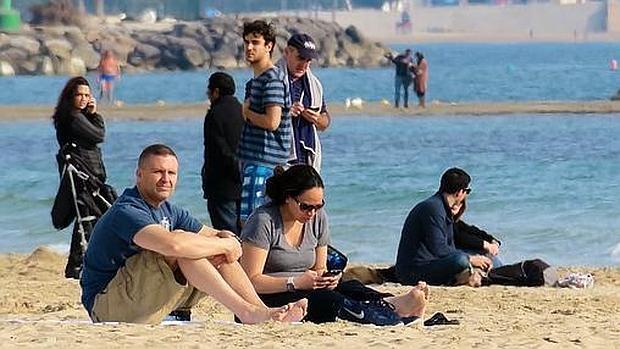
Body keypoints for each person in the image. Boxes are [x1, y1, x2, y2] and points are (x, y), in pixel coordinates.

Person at [80, 144, 307, 324]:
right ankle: (247, 313)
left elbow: (215, 235)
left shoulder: (168, 210)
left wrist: (225, 242)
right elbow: (174, 247)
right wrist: (222, 246)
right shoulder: (128, 210)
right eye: (158, 172)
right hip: (107, 305)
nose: (165, 179)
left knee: (206, 244)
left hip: (140, 298)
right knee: (183, 245)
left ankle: (260, 311)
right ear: (139, 175)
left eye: (171, 173)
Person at [240, 165, 428, 325]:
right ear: (288, 197)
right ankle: (393, 311)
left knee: (350, 286)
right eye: (306, 206)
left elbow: (320, 267)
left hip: (307, 287)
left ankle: (392, 303)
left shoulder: (318, 219)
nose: (312, 213)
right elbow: (250, 280)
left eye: (318, 206)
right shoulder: (264, 221)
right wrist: (294, 283)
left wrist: (327, 278)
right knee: (327, 300)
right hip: (270, 296)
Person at [52, 76, 115, 279]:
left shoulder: (77, 116)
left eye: (87, 95)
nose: (84, 99)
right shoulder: (72, 117)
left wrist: (90, 114)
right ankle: (79, 266)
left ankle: (76, 266)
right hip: (82, 175)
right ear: (70, 96)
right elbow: (99, 135)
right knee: (91, 217)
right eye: (79, 94)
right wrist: (95, 115)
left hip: (89, 174)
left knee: (87, 216)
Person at [395, 167, 492, 286]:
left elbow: (458, 237)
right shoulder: (433, 208)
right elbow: (439, 249)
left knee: (483, 256)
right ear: (460, 192)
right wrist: (471, 259)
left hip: (433, 263)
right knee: (461, 260)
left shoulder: (442, 208)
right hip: (414, 271)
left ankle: (478, 273)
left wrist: (481, 249)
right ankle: (470, 275)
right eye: (467, 191)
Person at [237, 20, 292, 224]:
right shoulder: (255, 82)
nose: (249, 47)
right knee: (252, 221)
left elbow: (272, 122)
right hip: (253, 159)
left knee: (251, 222)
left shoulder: (272, 80)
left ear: (268, 46)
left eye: (255, 42)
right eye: (246, 42)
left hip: (264, 161)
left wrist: (247, 112)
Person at [277, 33, 331, 171]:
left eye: (308, 60)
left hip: (307, 158)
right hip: (280, 158)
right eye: (300, 58)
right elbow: (255, 119)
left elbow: (325, 121)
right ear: (287, 52)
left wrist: (317, 119)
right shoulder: (271, 80)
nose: (304, 65)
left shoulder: (314, 85)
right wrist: (285, 113)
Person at [202, 72, 244, 235]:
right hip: (243, 181)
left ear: (216, 91)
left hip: (221, 185)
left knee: (227, 235)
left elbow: (218, 149)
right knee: (244, 232)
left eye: (209, 92)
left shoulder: (214, 114)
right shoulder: (243, 111)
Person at [451, 200, 503, 268]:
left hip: (458, 251)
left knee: (493, 260)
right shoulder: (443, 219)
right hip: (451, 255)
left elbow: (470, 230)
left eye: (460, 204)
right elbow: (459, 236)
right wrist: (485, 244)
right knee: (493, 262)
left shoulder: (454, 221)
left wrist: (492, 240)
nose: (456, 206)